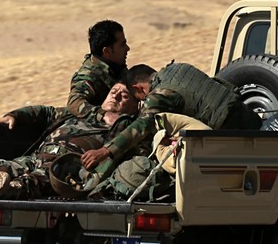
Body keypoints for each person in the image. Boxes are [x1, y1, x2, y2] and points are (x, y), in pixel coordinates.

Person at [0, 83, 140, 200]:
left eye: (124, 96)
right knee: (2, 166)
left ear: (134, 105)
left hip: (63, 168)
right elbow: (46, 112)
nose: (116, 97)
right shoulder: (82, 113)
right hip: (37, 156)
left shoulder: (126, 129)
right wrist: (15, 116)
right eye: (114, 92)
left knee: (33, 181)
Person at [80, 62, 262, 173]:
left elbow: (143, 124)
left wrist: (105, 151)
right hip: (249, 118)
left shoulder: (160, 93)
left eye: (139, 100)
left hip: (233, 134)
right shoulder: (177, 68)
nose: (143, 103)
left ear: (138, 89)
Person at [68, 19, 130, 123]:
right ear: (107, 51)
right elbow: (74, 102)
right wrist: (104, 115)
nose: (127, 48)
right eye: (122, 45)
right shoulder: (89, 75)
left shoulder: (114, 66)